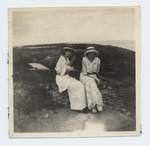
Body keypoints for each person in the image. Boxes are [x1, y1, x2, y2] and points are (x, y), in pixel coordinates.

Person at [55, 47, 87, 113]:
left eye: (70, 52)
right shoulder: (60, 59)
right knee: (79, 87)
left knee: (80, 85)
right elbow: (58, 71)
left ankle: (79, 106)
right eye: (67, 51)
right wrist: (68, 69)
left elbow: (67, 65)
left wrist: (71, 62)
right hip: (61, 79)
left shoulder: (66, 59)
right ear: (64, 52)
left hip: (66, 77)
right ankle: (80, 107)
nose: (69, 53)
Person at [80, 46, 103, 113]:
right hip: (85, 76)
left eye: (93, 53)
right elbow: (84, 72)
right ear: (87, 54)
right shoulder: (84, 59)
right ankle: (93, 106)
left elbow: (97, 71)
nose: (91, 54)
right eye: (89, 53)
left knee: (92, 86)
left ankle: (96, 104)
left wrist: (97, 78)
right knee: (91, 83)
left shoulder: (97, 60)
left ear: (95, 53)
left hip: (93, 75)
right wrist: (93, 78)